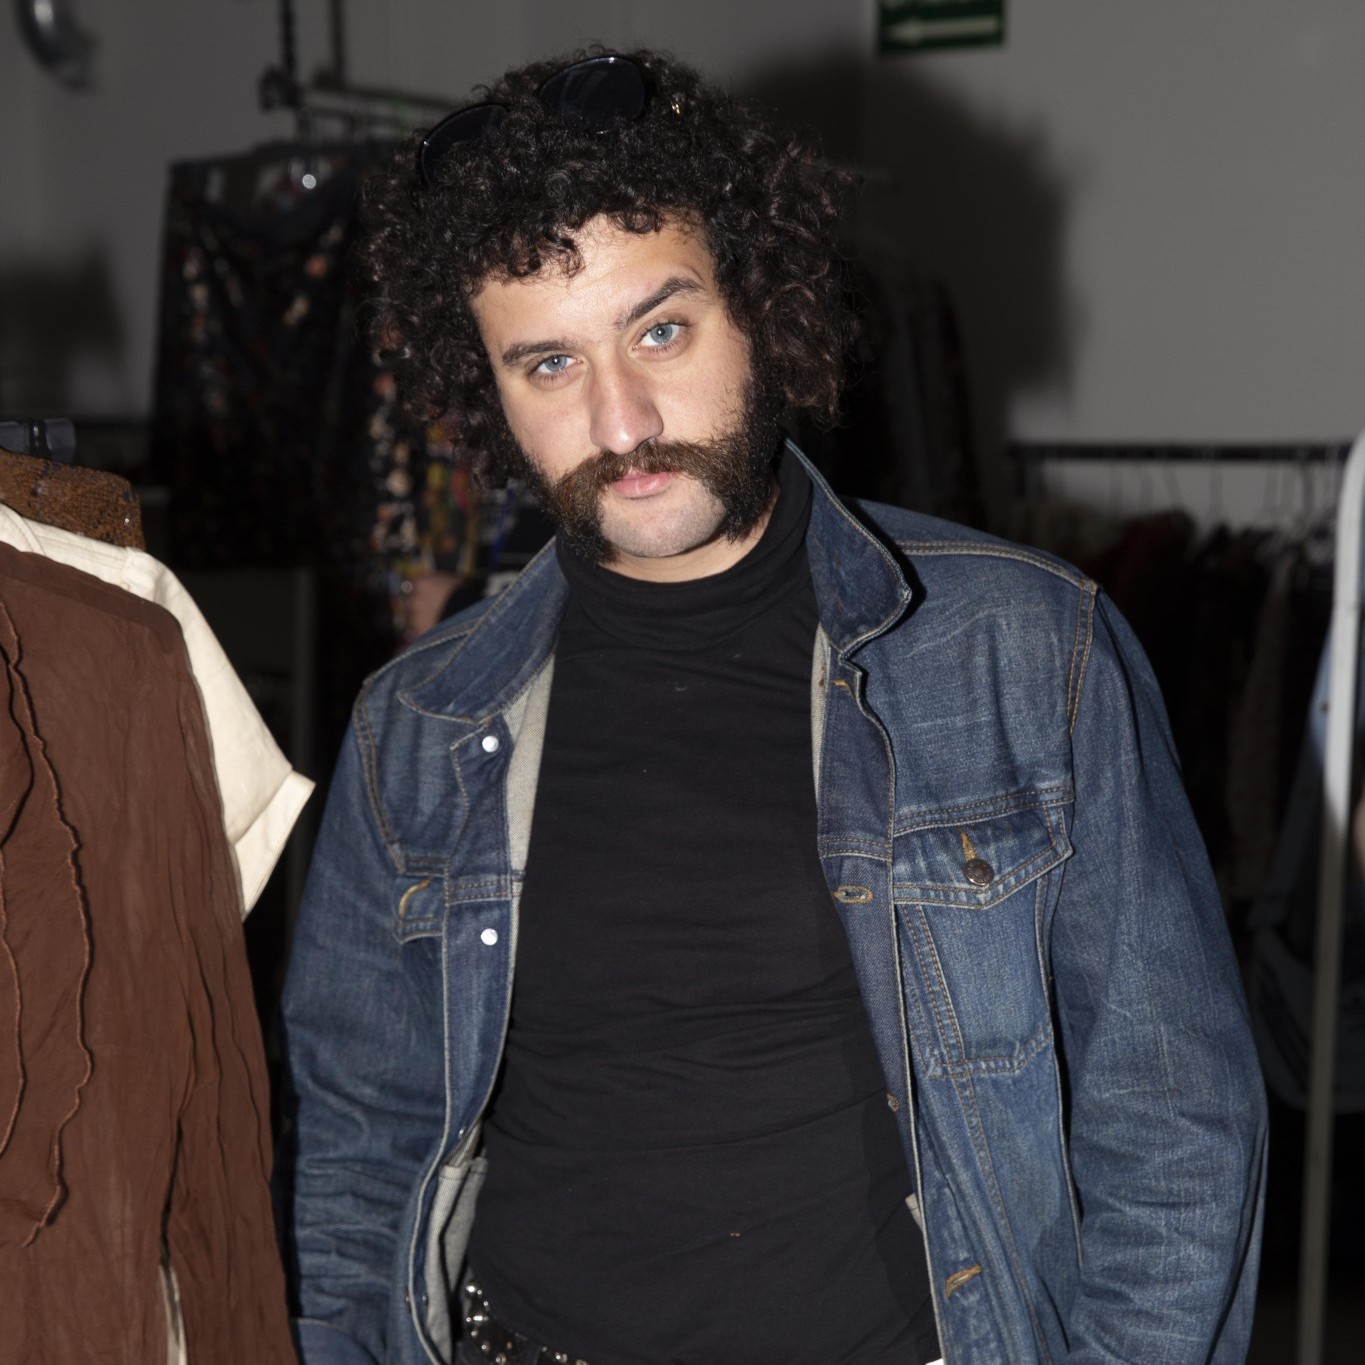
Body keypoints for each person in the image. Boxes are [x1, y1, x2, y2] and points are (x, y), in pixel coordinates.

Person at [279, 48, 1267, 1365]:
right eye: (549, 364)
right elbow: (356, 1159)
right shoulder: (416, 726)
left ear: (760, 305)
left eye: (661, 330)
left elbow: (1175, 1124)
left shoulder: (1024, 651)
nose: (621, 421)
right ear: (489, 391)